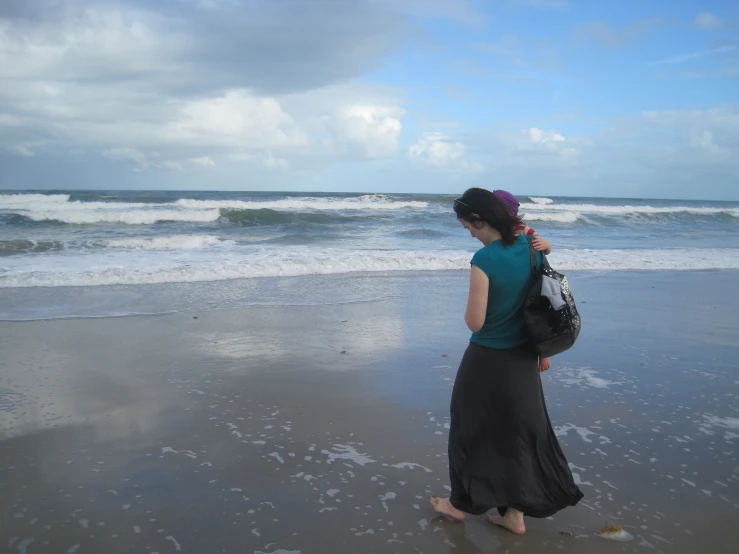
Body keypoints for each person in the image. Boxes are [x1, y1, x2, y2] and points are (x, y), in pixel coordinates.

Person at [430, 187, 584, 535]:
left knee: (471, 433)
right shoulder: (533, 248)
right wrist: (542, 353)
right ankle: (514, 515)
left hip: (486, 360)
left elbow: (476, 322)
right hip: (525, 359)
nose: (467, 230)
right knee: (518, 436)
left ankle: (457, 506)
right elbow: (544, 300)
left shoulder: (484, 259)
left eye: (467, 224)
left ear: (480, 219)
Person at [493, 189, 553, 373]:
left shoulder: (521, 228)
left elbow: (541, 244)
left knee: (536, 313)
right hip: (512, 276)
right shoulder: (493, 229)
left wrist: (548, 245)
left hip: (531, 275)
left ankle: (544, 352)